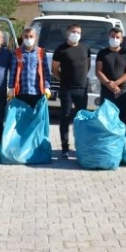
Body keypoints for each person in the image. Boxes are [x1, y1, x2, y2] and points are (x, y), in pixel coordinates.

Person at [52, 24, 91, 158]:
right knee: (65, 117)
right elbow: (55, 69)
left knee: (82, 118)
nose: (76, 34)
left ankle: (81, 146)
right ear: (67, 32)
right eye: (73, 31)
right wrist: (64, 79)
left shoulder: (85, 48)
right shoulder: (60, 49)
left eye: (78, 32)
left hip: (82, 88)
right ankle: (64, 148)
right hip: (66, 89)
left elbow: (88, 65)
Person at [95, 27, 126, 127]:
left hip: (122, 92)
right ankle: (107, 142)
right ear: (109, 37)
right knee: (105, 119)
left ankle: (122, 141)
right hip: (106, 91)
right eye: (113, 36)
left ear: (122, 40)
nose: (115, 39)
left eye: (117, 37)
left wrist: (115, 83)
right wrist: (110, 85)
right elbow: (98, 71)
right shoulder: (102, 53)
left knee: (122, 118)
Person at [8, 27, 51, 109]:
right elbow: (13, 71)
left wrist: (47, 87)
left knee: (34, 118)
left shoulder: (41, 52)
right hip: (21, 91)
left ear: (35, 37)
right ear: (23, 37)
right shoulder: (17, 52)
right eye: (26, 36)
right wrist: (11, 87)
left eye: (31, 36)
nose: (28, 39)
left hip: (37, 92)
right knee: (21, 117)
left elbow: (45, 71)